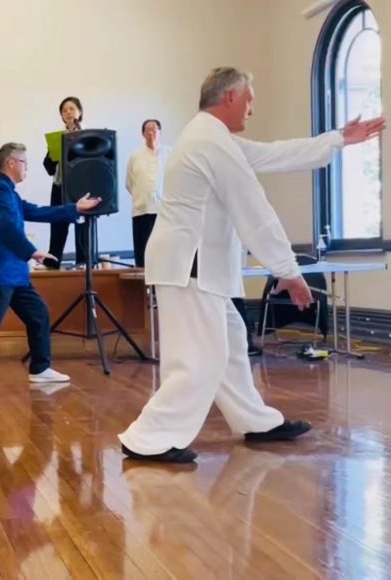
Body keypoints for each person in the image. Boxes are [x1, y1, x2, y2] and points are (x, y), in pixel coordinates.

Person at [118, 67, 385, 463]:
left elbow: (273, 154)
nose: (251, 108)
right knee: (200, 358)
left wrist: (338, 139)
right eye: (249, 99)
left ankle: (255, 420)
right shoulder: (209, 141)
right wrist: (289, 271)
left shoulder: (211, 137)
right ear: (229, 98)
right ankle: (149, 437)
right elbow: (253, 207)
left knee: (230, 350)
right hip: (189, 266)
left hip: (195, 266)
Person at [0, 143, 100, 394]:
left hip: (15, 273)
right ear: (11, 163)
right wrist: (32, 251)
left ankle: (40, 369)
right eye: (25, 162)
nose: (28, 168)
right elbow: (6, 228)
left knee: (38, 313)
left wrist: (74, 209)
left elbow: (36, 211)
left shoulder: (10, 193)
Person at [43, 96, 91, 269]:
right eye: (64, 110)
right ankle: (52, 262)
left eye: (71, 109)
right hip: (60, 185)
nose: (68, 112)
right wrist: (53, 155)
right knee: (57, 223)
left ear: (79, 111)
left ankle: (83, 261)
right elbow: (48, 167)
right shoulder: (58, 137)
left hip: (81, 186)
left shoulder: (88, 135)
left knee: (82, 224)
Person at [125, 119, 170, 268]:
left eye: (154, 130)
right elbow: (129, 184)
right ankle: (144, 291)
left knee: (164, 255)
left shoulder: (170, 153)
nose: (151, 133)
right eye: (147, 130)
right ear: (143, 134)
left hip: (164, 212)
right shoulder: (135, 156)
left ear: (160, 132)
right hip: (141, 211)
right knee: (142, 256)